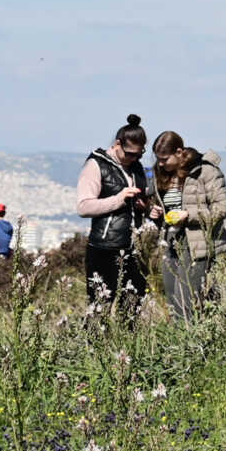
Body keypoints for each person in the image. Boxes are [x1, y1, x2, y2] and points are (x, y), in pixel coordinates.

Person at [74, 115, 152, 319]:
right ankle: (94, 349)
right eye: (130, 154)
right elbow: (83, 207)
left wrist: (144, 207)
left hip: (134, 247)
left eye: (139, 155)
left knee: (132, 307)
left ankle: (127, 348)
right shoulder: (96, 164)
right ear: (118, 144)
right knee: (99, 308)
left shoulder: (135, 167)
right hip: (104, 247)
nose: (134, 159)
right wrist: (118, 199)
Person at [148, 131, 226, 320]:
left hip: (197, 243)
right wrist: (155, 214)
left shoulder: (205, 171)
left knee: (185, 302)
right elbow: (165, 206)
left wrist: (189, 216)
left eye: (164, 159)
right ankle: (180, 342)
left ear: (179, 152)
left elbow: (222, 207)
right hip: (170, 242)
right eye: (158, 159)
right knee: (172, 300)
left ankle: (190, 343)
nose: (160, 164)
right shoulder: (162, 174)